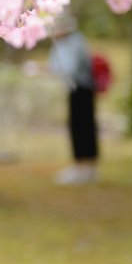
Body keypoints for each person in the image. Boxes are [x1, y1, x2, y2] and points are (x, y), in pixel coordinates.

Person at [49, 13, 98, 185]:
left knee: (84, 126)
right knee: (76, 126)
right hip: (73, 89)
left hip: (82, 88)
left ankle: (86, 167)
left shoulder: (76, 41)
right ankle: (80, 165)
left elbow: (70, 67)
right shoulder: (61, 43)